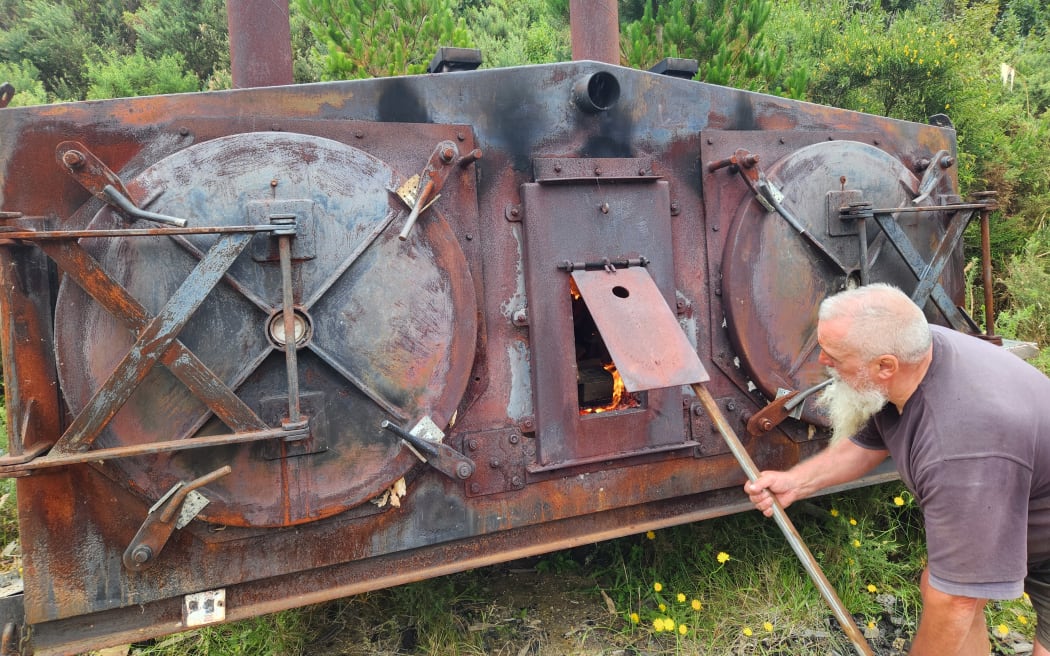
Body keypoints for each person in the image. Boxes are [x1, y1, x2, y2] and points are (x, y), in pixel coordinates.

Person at [745, 283, 1050, 656]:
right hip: (1021, 513)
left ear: (885, 366)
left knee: (954, 598)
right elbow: (869, 443)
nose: (823, 360)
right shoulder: (914, 353)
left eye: (834, 355)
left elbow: (955, 602)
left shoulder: (959, 447)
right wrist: (796, 482)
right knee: (938, 585)